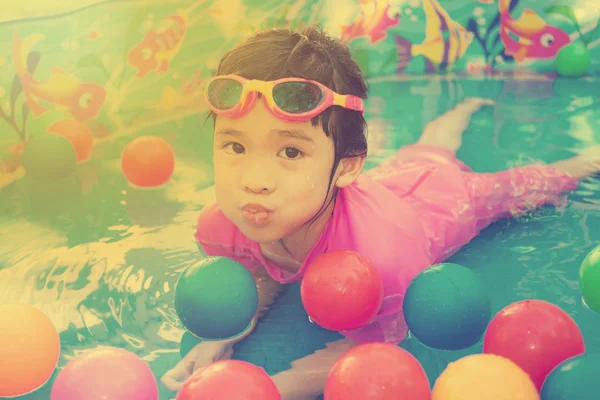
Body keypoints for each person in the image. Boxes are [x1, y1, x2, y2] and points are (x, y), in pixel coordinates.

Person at [162, 25, 600, 398]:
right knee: (427, 147)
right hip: (391, 178)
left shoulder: (379, 262)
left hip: (441, 201)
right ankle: (461, 111)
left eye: (290, 151)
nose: (254, 179)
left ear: (346, 166)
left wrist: (271, 387)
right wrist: (223, 335)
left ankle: (583, 158)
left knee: (527, 186)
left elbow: (366, 353)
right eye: (235, 146)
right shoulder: (221, 226)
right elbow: (258, 275)